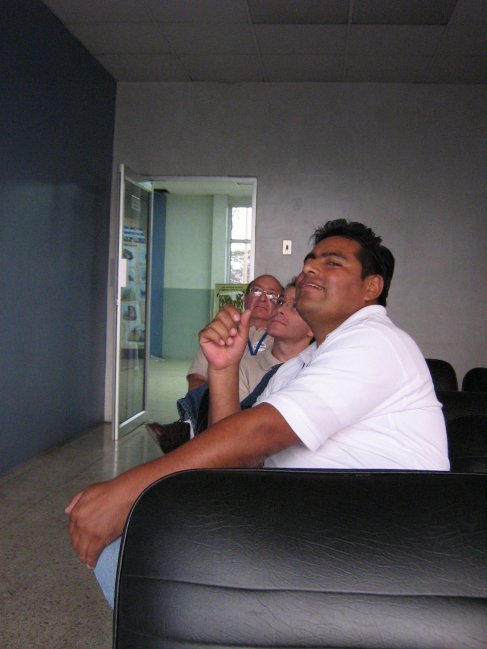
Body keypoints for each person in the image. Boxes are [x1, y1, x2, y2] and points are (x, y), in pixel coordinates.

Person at [66, 219, 449, 607]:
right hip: (312, 531)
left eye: (332, 262)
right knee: (143, 544)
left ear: (371, 287)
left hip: (379, 548)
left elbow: (259, 433)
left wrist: (130, 492)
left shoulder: (376, 340)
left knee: (139, 544)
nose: (310, 269)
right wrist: (224, 369)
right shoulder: (302, 365)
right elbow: (237, 458)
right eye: (309, 261)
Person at [147, 281, 314, 453]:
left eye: (273, 296)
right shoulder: (234, 352)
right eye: (280, 301)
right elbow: (228, 441)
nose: (280, 308)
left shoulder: (315, 373)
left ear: (313, 327)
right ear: (245, 298)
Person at [187, 274, 283, 391]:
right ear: (245, 298)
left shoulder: (284, 340)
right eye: (257, 291)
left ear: (280, 304)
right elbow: (196, 377)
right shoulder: (224, 331)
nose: (262, 298)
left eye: (271, 294)